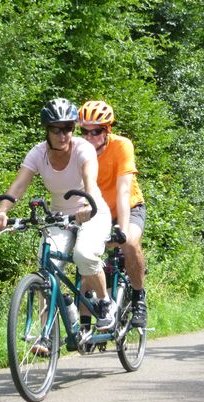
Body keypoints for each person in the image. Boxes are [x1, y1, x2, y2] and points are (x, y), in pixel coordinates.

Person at [0, 98, 116, 344]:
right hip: (60, 215)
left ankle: (104, 302)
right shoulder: (38, 153)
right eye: (57, 129)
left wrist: (86, 203)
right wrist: (3, 210)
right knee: (47, 268)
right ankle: (45, 335)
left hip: (91, 210)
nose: (63, 135)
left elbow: (90, 179)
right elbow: (19, 185)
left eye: (68, 128)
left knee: (84, 255)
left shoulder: (83, 148)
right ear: (47, 130)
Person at [77, 100, 148, 328]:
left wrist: (122, 229)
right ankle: (86, 323)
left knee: (130, 243)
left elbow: (124, 190)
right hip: (96, 213)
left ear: (108, 130)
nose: (89, 137)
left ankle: (138, 297)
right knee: (85, 259)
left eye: (96, 131)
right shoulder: (77, 149)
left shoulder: (121, 146)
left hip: (128, 207)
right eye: (84, 131)